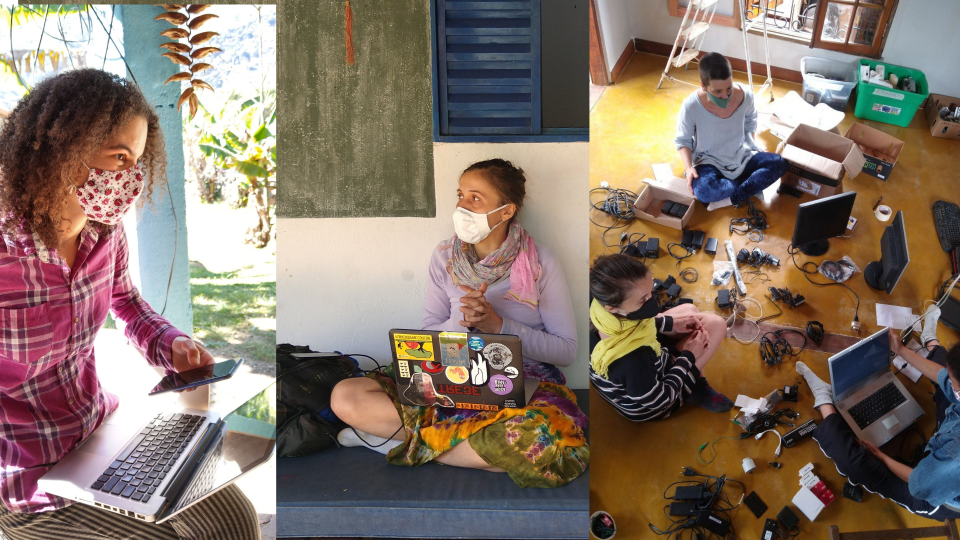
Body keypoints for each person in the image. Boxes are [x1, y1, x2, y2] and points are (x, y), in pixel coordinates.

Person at [0, 69, 260, 539]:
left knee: (234, 519)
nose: (131, 178)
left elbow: (125, 301)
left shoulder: (104, 231)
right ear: (62, 149)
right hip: (26, 478)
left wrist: (172, 344)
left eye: (137, 161)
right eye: (119, 157)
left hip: (98, 436)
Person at [331, 158, 588, 488]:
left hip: (519, 384)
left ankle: (395, 442)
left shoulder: (539, 261)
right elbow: (428, 334)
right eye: (461, 194)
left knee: (539, 442)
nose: (462, 205)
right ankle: (454, 449)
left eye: (475, 197)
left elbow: (566, 351)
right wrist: (460, 322)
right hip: (451, 372)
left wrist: (499, 325)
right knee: (346, 396)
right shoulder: (444, 256)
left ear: (506, 211)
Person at [796, 307, 960, 520]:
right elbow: (944, 378)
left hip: (934, 494)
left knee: (857, 464)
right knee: (949, 369)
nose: (949, 384)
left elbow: (918, 482)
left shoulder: (954, 458)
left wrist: (881, 457)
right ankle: (931, 342)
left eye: (955, 386)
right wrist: (901, 351)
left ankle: (823, 398)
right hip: (948, 442)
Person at [588, 254, 732, 421]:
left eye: (651, 291)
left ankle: (689, 374)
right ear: (613, 308)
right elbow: (659, 400)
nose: (652, 302)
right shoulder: (632, 360)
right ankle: (695, 387)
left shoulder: (600, 307)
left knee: (689, 310)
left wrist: (672, 324)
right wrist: (689, 355)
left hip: (636, 374)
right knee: (717, 324)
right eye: (643, 300)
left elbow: (638, 325)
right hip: (655, 403)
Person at [675, 52, 788, 211]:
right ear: (703, 85)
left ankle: (731, 198)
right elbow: (683, 140)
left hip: (741, 157)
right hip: (709, 162)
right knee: (704, 191)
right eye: (717, 92)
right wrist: (688, 167)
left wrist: (752, 144)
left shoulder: (746, 95)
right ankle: (748, 186)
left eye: (729, 88)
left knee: (780, 164)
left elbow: (750, 122)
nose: (725, 96)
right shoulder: (691, 106)